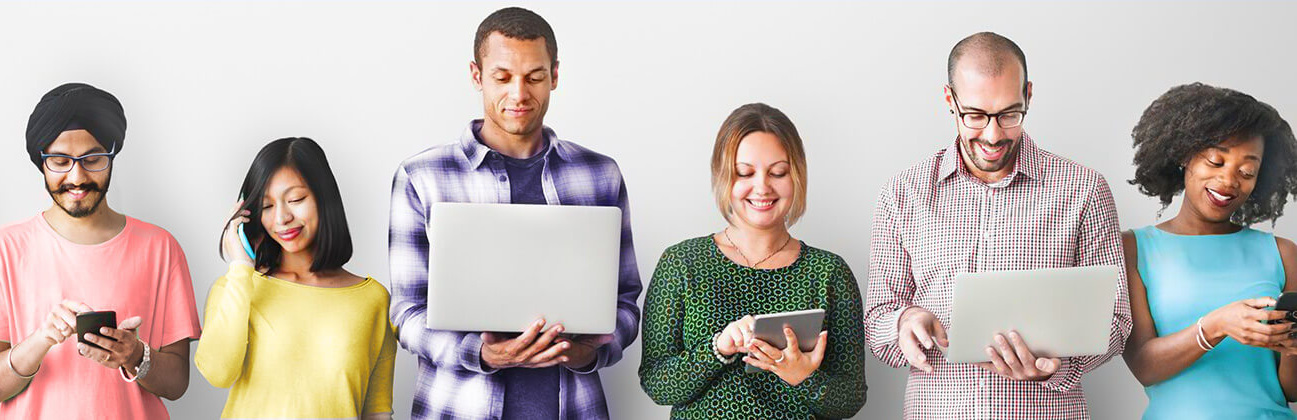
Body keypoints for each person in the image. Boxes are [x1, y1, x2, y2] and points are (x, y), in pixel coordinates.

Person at [388, 7, 642, 419]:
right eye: (502, 78)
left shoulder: (600, 174)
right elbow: (407, 312)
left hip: (574, 408)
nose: (519, 95)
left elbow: (626, 300)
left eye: (535, 77)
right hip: (457, 408)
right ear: (477, 76)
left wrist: (587, 353)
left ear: (555, 75)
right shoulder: (422, 177)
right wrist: (483, 354)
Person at [862, 32, 1131, 418]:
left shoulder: (1084, 190)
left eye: (1009, 114)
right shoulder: (903, 193)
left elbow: (1117, 321)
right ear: (949, 100)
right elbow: (877, 324)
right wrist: (904, 323)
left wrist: (1054, 369)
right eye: (975, 115)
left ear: (1029, 96)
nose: (992, 135)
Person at [638, 103, 867, 419]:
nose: (762, 187)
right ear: (723, 176)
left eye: (778, 172)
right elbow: (656, 383)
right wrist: (718, 349)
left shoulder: (829, 273)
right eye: (745, 172)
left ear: (796, 175)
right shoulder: (681, 263)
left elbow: (851, 398)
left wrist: (803, 377)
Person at [0, 83, 202, 418]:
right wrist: (40, 340)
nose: (76, 177)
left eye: (92, 159)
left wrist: (134, 355)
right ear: (42, 162)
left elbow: (177, 384)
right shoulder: (4, 249)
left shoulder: (160, 248)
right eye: (60, 161)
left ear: (111, 155)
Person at [1120, 83, 1297, 419]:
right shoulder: (1133, 248)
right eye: (1216, 160)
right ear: (1186, 154)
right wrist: (1216, 325)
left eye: (1247, 172)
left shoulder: (1283, 253)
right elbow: (1144, 365)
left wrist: (1292, 349)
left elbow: (1291, 390)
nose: (1229, 181)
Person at [195, 137, 396, 419]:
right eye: (266, 206)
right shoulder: (235, 286)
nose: (281, 218)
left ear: (323, 198)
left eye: (295, 200)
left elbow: (377, 412)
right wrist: (241, 267)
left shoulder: (372, 299)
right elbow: (217, 372)